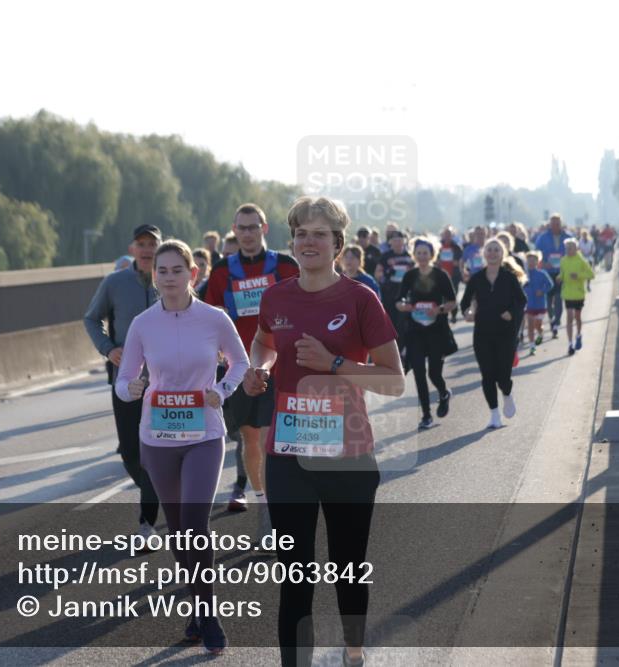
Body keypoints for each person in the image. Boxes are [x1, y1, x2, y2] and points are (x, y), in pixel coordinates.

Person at [243, 195, 404, 667]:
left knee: (348, 568)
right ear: (291, 241)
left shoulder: (360, 299)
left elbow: (393, 380)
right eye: (300, 233)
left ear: (337, 243)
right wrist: (261, 367)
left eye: (319, 234)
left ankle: (354, 652)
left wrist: (334, 363)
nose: (308, 241)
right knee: (294, 575)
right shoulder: (276, 296)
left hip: (347, 457)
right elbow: (262, 340)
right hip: (289, 454)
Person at [116, 240, 248, 654]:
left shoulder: (214, 318)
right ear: (153, 276)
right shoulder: (142, 324)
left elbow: (240, 362)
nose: (168, 278)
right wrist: (132, 387)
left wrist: (222, 389)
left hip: (204, 435)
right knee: (178, 530)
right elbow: (123, 382)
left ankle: (207, 615)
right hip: (157, 438)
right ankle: (196, 605)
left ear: (192, 274)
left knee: (195, 522)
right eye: (161, 270)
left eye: (177, 270)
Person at [203, 203, 300, 524]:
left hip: (279, 366)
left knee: (273, 439)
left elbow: (308, 306)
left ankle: (280, 509)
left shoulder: (286, 266)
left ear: (264, 228)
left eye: (252, 227)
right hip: (239, 368)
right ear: (234, 229)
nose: (246, 233)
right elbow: (209, 317)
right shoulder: (220, 271)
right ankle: (265, 506)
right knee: (251, 441)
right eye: (241, 228)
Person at [83, 224, 162, 538]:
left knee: (154, 451)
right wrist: (108, 348)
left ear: (161, 246)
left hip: (165, 384)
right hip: (126, 380)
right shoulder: (115, 282)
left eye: (152, 244)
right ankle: (159, 491)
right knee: (130, 452)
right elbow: (91, 318)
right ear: (132, 249)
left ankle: (146, 522)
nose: (146, 249)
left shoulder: (170, 281)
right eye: (141, 243)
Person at [459, 238, 527, 429]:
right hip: (482, 333)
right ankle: (494, 414)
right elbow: (464, 302)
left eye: (496, 250)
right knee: (487, 374)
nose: (492, 253)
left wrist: (511, 313)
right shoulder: (477, 278)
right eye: (489, 250)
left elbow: (522, 300)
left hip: (505, 333)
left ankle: (507, 393)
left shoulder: (509, 277)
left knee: (503, 375)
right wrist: (468, 312)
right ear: (484, 253)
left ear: (502, 253)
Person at [396, 239, 456, 430]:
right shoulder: (410, 275)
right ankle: (426, 415)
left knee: (434, 373)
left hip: (436, 330)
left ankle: (443, 392)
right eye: (419, 253)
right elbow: (398, 300)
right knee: (419, 372)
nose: (422, 256)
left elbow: (452, 302)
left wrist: (438, 309)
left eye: (425, 253)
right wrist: (404, 306)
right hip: (415, 331)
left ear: (432, 254)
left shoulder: (440, 275)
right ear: (414, 255)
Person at [374, 231, 414, 363]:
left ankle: (402, 350)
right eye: (394, 240)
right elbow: (377, 274)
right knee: (391, 323)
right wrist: (386, 274)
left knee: (403, 323)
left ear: (404, 241)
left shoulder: (409, 257)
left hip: (405, 294)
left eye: (400, 240)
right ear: (390, 242)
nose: (397, 242)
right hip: (390, 294)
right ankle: (393, 352)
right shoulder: (385, 256)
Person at [534, 214, 573, 339]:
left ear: (561, 224)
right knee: (548, 299)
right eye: (553, 223)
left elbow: (574, 253)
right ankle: (551, 319)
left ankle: (556, 322)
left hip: (561, 272)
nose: (555, 225)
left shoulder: (568, 237)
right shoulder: (542, 238)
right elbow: (537, 253)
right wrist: (543, 262)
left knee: (558, 297)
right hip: (547, 272)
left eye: (557, 223)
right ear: (549, 224)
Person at [558, 238, 595, 355]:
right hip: (567, 293)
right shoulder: (563, 260)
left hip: (579, 293)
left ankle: (578, 335)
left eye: (571, 247)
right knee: (569, 317)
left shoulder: (582, 260)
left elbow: (591, 274)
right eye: (567, 248)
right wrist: (559, 278)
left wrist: (579, 275)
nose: (569, 250)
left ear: (576, 248)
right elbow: (562, 274)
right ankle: (570, 344)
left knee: (577, 317)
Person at [522, 251, 553, 355]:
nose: (531, 262)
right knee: (530, 325)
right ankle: (532, 346)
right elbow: (519, 286)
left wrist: (542, 291)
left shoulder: (542, 273)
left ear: (537, 261)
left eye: (533, 260)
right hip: (529, 304)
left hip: (540, 304)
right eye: (529, 260)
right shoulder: (523, 275)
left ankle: (540, 334)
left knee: (537, 325)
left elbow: (550, 284)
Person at [436, 226, 463, 323]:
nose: (447, 236)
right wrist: (437, 261)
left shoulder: (456, 247)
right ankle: (443, 314)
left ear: (452, 235)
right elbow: (434, 258)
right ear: (442, 235)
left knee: (453, 296)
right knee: (441, 296)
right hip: (440, 275)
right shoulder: (438, 245)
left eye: (449, 234)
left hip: (453, 275)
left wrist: (457, 262)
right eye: (445, 234)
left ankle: (454, 315)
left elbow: (460, 260)